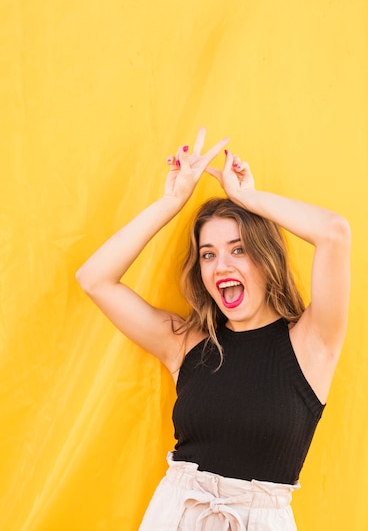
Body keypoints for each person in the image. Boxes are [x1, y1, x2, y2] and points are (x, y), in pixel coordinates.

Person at [76, 127, 351, 530]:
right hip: (175, 514)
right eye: (209, 254)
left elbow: (334, 233)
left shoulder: (312, 343)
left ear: (266, 257)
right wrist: (172, 202)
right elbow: (94, 278)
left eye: (238, 249)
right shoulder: (186, 344)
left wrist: (248, 199)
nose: (221, 265)